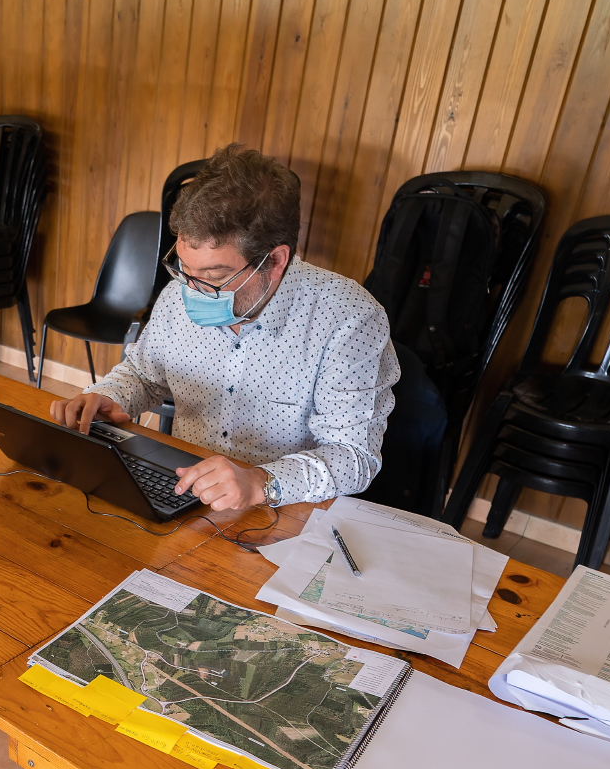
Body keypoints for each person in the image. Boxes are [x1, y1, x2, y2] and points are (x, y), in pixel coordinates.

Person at [50, 143, 397, 513]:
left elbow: (354, 457)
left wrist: (260, 482)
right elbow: (144, 374)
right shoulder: (177, 294)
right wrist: (111, 396)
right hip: (182, 491)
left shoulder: (348, 319)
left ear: (275, 260)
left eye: (213, 276)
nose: (191, 290)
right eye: (184, 269)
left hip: (282, 511)